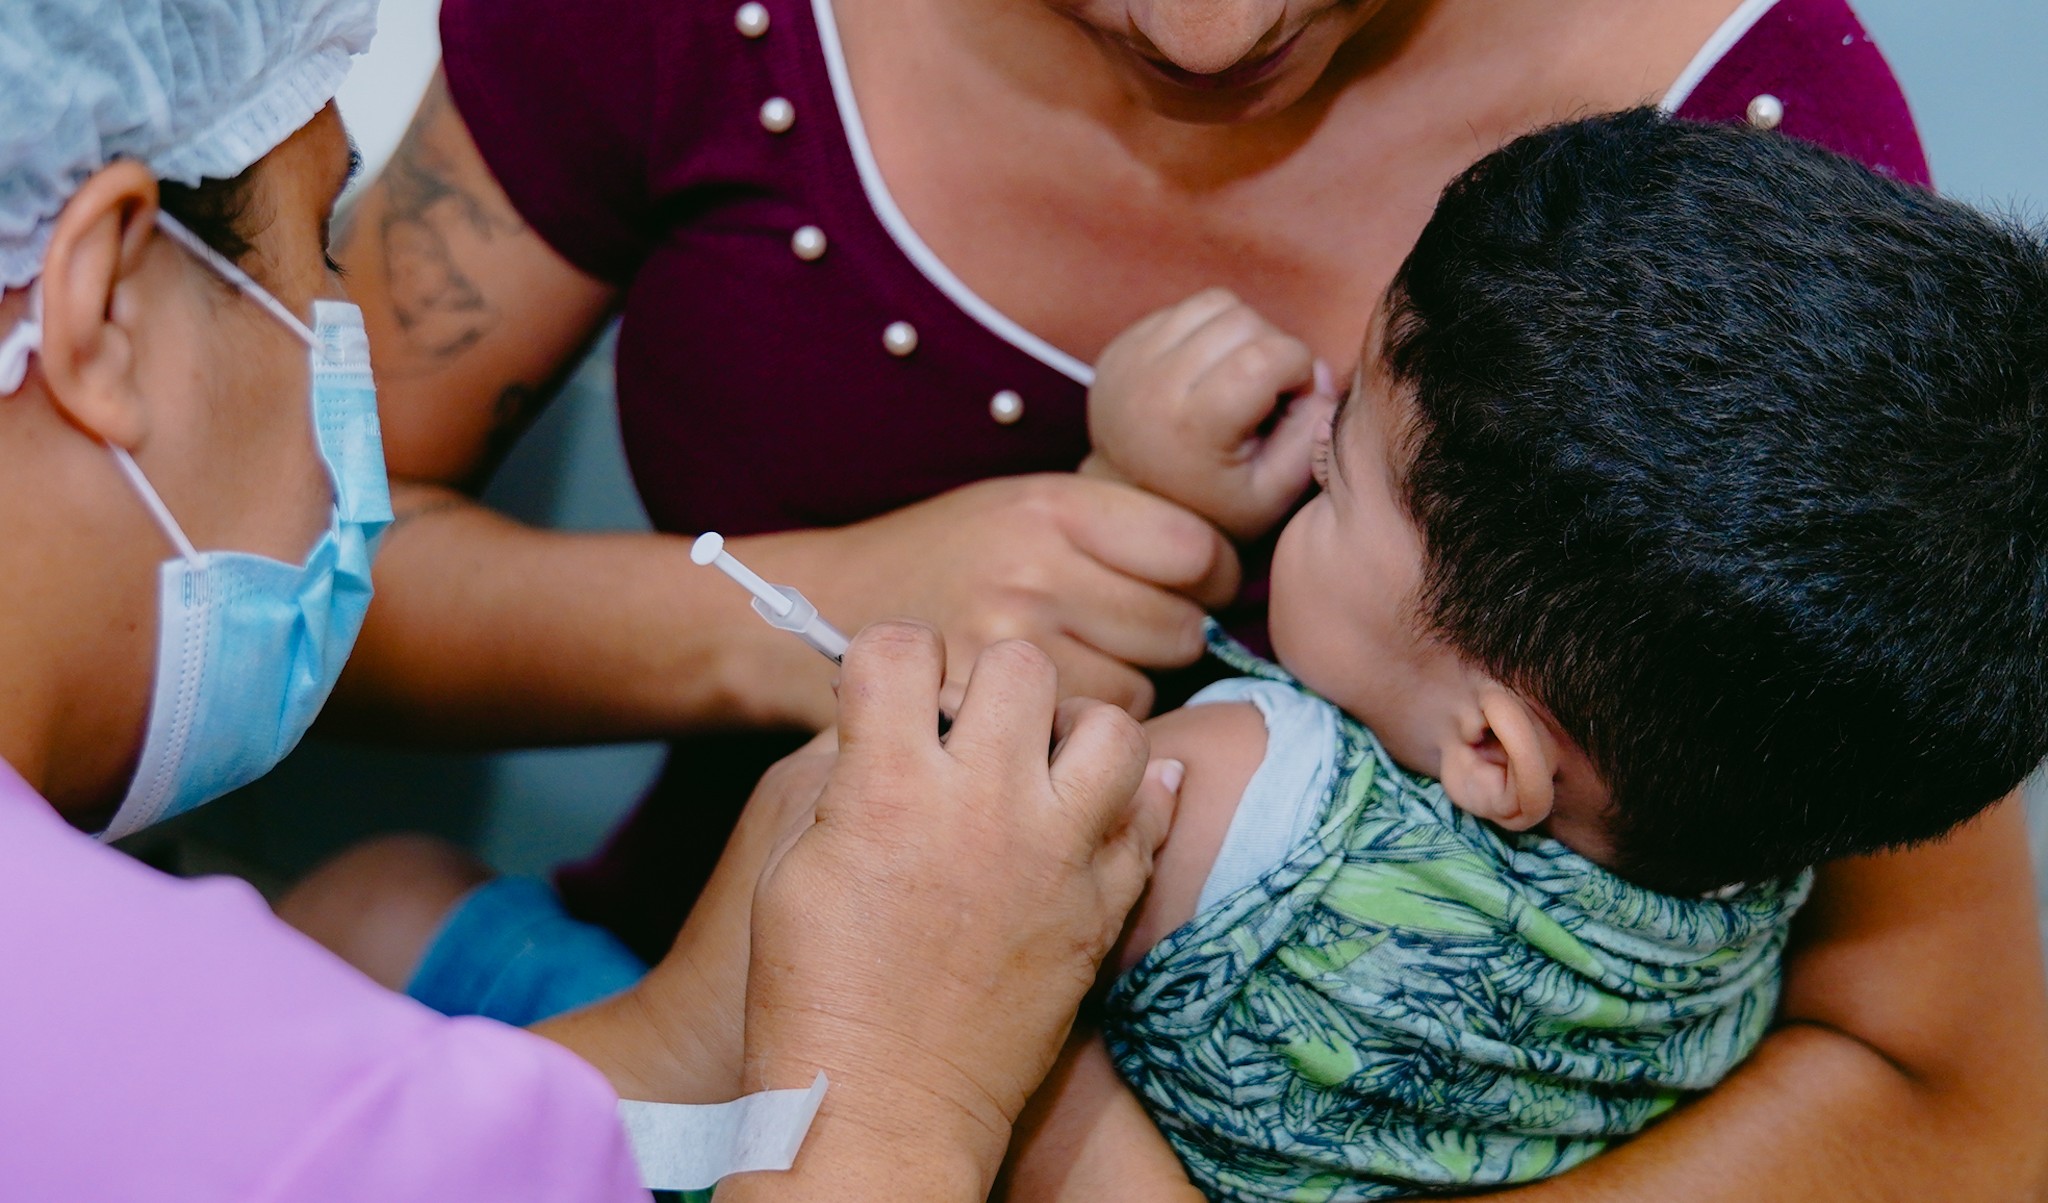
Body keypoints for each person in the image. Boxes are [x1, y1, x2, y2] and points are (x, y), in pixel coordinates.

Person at [289, 0, 2048, 1195]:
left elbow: (1948, 1096)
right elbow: (239, 568)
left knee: (356, 922)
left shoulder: (1759, 224)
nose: (1208, 29)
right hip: (733, 998)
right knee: (382, 906)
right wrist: (806, 602)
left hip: (783, 1046)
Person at [0, 3, 1184, 1198]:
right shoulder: (156, 1049)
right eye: (323, 249)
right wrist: (902, 1097)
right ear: (104, 305)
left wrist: (685, 1025)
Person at [1014, 109, 2048, 1200]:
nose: (1313, 433)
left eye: (1334, 483)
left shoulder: (1228, 806)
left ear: (1492, 753)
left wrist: (1120, 492)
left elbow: (894, 833)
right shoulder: (1750, 860)